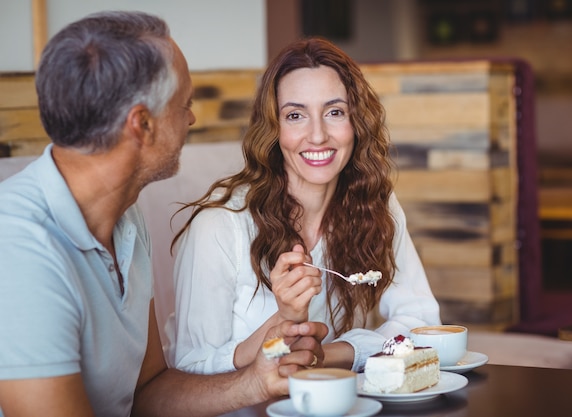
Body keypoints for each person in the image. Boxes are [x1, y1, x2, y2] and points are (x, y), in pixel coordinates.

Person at [0, 11, 327, 417]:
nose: (190, 118)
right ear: (142, 124)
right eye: (183, 104)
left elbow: (149, 390)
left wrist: (255, 381)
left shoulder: (125, 217)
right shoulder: (18, 246)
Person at [165, 37, 441, 376]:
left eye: (335, 112)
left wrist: (331, 353)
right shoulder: (220, 226)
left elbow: (422, 322)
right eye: (295, 115)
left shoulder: (375, 204)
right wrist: (283, 323)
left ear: (357, 123)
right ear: (274, 129)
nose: (318, 135)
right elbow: (192, 369)